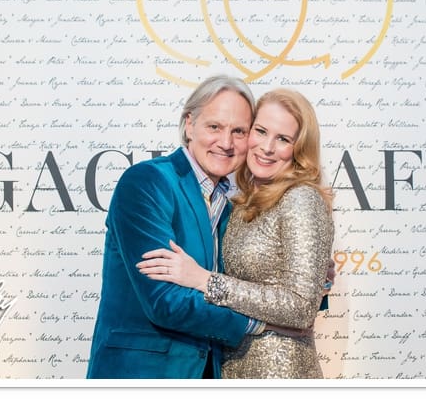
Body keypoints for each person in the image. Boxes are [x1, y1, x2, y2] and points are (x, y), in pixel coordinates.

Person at [138, 88, 334, 378]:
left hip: (279, 373)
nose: (267, 147)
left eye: (283, 139)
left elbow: (301, 309)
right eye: (261, 131)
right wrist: (319, 281)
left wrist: (205, 280)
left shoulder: (300, 198)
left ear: (299, 148)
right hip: (229, 367)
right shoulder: (238, 202)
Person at [86, 75, 264, 379]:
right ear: (189, 124)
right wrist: (255, 323)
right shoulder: (148, 182)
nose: (226, 142)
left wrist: (309, 280)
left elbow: (248, 280)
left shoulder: (230, 203)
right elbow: (164, 301)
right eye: (215, 127)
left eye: (239, 131)